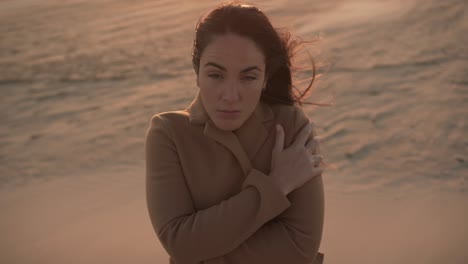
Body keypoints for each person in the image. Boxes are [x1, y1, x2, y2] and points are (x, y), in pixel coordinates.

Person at [145, 2, 325, 264]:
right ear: (197, 74)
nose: (230, 96)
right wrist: (276, 186)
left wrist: (204, 250)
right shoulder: (169, 134)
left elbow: (299, 249)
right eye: (216, 75)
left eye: (248, 77)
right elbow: (180, 243)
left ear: (265, 78)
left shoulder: (290, 126)